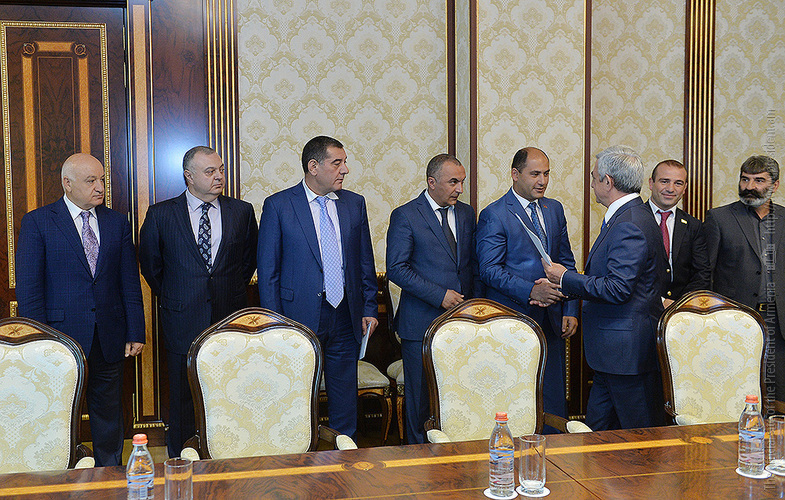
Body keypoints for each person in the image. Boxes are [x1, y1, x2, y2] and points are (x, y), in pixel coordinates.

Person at [16, 153, 145, 466]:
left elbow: (129, 282)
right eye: (91, 181)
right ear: (67, 183)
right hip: (59, 338)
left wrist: (135, 330)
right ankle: (61, 472)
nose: (100, 187)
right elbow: (30, 290)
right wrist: (39, 340)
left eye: (101, 180)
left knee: (109, 413)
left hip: (109, 336)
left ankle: (109, 474)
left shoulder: (116, 222)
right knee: (58, 412)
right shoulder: (38, 222)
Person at [139, 146, 258, 457]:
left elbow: (248, 261)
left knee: (228, 391)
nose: (219, 176)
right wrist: (178, 294)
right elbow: (151, 266)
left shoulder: (242, 212)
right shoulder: (161, 214)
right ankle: (181, 459)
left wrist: (226, 290)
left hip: (228, 319)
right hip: (182, 319)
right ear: (188, 176)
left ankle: (224, 453)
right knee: (182, 397)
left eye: (221, 169)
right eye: (210, 171)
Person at [257, 135, 378, 437]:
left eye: (344, 162)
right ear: (313, 167)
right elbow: (268, 271)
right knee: (296, 393)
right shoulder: (279, 205)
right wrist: (276, 323)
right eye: (337, 163)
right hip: (296, 318)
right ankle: (299, 453)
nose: (345, 170)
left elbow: (365, 261)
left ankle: (344, 451)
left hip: (345, 314)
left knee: (344, 397)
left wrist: (369, 308)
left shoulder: (354, 204)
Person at [543, 145, 667, 431]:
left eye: (593, 176)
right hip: (612, 356)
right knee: (597, 437)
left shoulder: (629, 223)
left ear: (608, 182)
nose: (591, 183)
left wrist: (565, 277)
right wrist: (566, 284)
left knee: (639, 441)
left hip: (626, 356)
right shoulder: (630, 215)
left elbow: (617, 288)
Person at [476, 147, 578, 423]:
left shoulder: (554, 209)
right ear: (515, 174)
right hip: (513, 319)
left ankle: (556, 445)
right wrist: (531, 291)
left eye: (546, 174)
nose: (542, 181)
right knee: (515, 396)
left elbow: (566, 261)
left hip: (553, 318)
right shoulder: (495, 214)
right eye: (534, 174)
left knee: (552, 397)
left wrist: (570, 309)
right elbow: (489, 270)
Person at [386, 153, 482, 444]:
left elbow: (472, 266)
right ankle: (418, 457)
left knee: (457, 395)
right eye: (453, 182)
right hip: (420, 324)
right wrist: (440, 296)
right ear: (431, 182)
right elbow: (396, 269)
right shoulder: (406, 215)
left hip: (461, 322)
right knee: (420, 402)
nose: (460, 189)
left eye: (462, 182)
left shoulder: (466, 214)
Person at [704, 155, 785, 407]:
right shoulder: (719, 218)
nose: (749, 187)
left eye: (759, 181)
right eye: (745, 179)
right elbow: (706, 273)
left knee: (777, 398)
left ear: (775, 185)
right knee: (735, 394)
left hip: (778, 324)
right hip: (733, 321)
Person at [647, 159, 710, 305]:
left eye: (678, 183)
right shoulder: (633, 220)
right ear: (651, 183)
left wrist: (680, 304)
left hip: (682, 309)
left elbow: (702, 274)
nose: (671, 189)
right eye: (664, 181)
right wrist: (660, 301)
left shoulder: (693, 225)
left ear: (685, 188)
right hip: (642, 309)